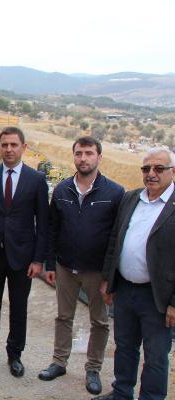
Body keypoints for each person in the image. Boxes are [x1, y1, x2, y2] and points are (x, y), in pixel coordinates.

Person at [38, 136, 124, 395]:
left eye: (89, 153)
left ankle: (93, 369)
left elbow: (116, 237)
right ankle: (59, 362)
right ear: (73, 156)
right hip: (65, 267)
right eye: (79, 153)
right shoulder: (62, 190)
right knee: (64, 317)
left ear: (99, 157)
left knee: (100, 321)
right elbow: (53, 229)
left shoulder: (114, 192)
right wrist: (50, 264)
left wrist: (109, 276)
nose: (83, 158)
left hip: (97, 272)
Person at [93, 148, 175, 400]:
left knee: (155, 355)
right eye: (146, 168)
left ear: (172, 171)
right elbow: (115, 240)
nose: (151, 174)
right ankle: (121, 392)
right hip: (125, 289)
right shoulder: (131, 198)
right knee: (125, 347)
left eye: (159, 168)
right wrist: (108, 280)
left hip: (158, 297)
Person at [0, 126, 49, 377]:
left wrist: (38, 260)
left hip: (22, 257)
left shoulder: (36, 180)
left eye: (14, 145)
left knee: (18, 308)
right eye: (4, 145)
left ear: (23, 147)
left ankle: (15, 354)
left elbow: (43, 223)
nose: (9, 149)